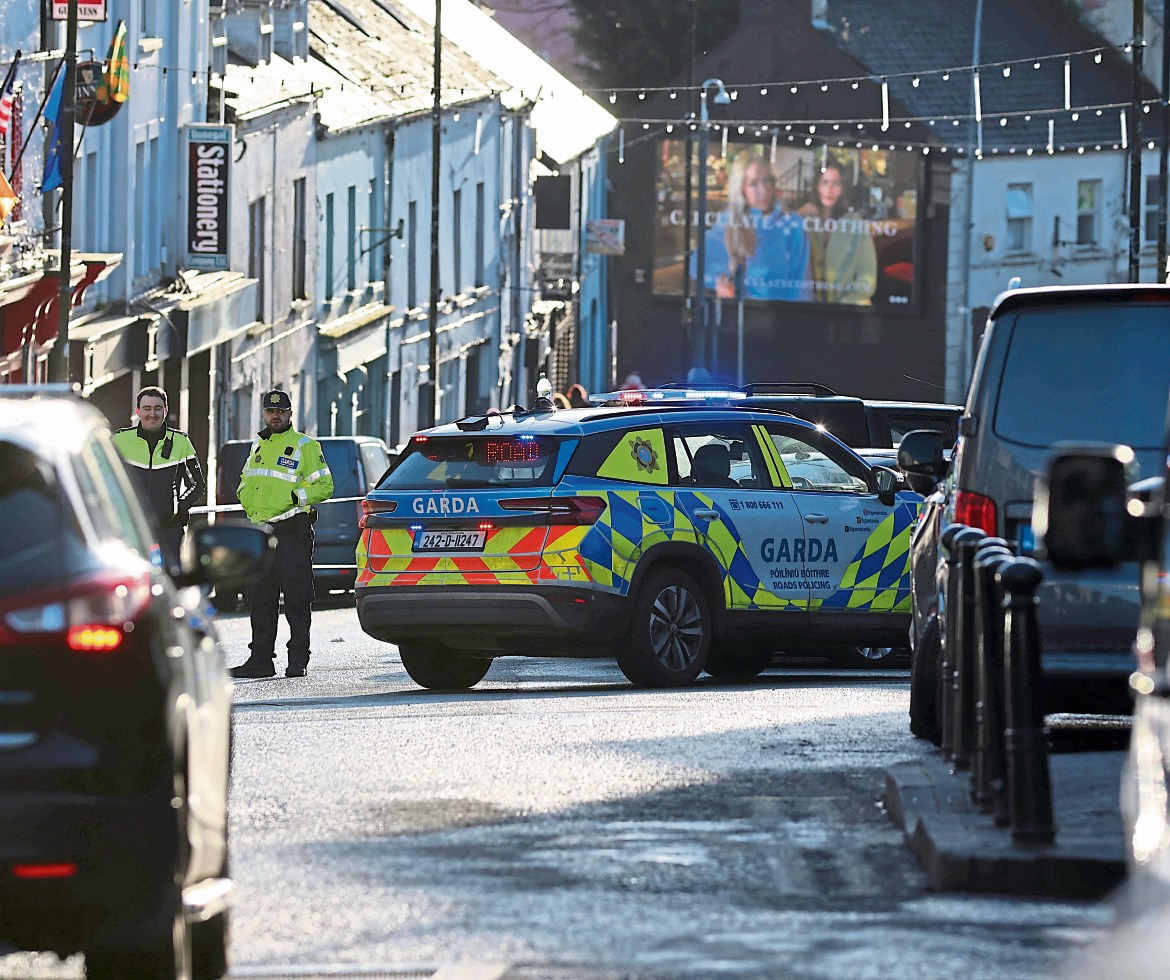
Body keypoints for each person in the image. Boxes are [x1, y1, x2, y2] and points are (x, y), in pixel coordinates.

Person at [229, 389, 334, 679]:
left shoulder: (305, 446)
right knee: (260, 598)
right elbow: (245, 481)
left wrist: (294, 495)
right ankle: (260, 659)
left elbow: (325, 486)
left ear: (290, 413)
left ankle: (298, 658)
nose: (275, 416)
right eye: (270, 411)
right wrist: (248, 502)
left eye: (281, 411)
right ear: (264, 414)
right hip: (261, 532)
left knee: (297, 598)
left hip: (291, 531)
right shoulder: (258, 445)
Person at [694, 154, 812, 302]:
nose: (763, 190)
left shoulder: (793, 225)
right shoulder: (728, 221)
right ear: (741, 188)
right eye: (753, 184)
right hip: (735, 317)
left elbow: (802, 289)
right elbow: (697, 266)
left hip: (779, 318)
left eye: (767, 181)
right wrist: (719, 282)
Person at [112, 385, 206, 571]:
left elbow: (197, 485)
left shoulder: (180, 441)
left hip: (169, 531)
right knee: (132, 580)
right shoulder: (120, 440)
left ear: (166, 410)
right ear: (138, 411)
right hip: (131, 529)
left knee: (170, 581)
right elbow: (104, 481)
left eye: (157, 408)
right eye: (147, 408)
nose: (152, 414)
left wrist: (176, 509)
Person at [797, 160, 878, 305]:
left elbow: (867, 277)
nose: (829, 190)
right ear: (817, 186)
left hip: (849, 307)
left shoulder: (855, 223)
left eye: (835, 183)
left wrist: (844, 304)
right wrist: (797, 216)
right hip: (807, 305)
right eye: (824, 182)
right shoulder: (805, 220)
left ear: (843, 188)